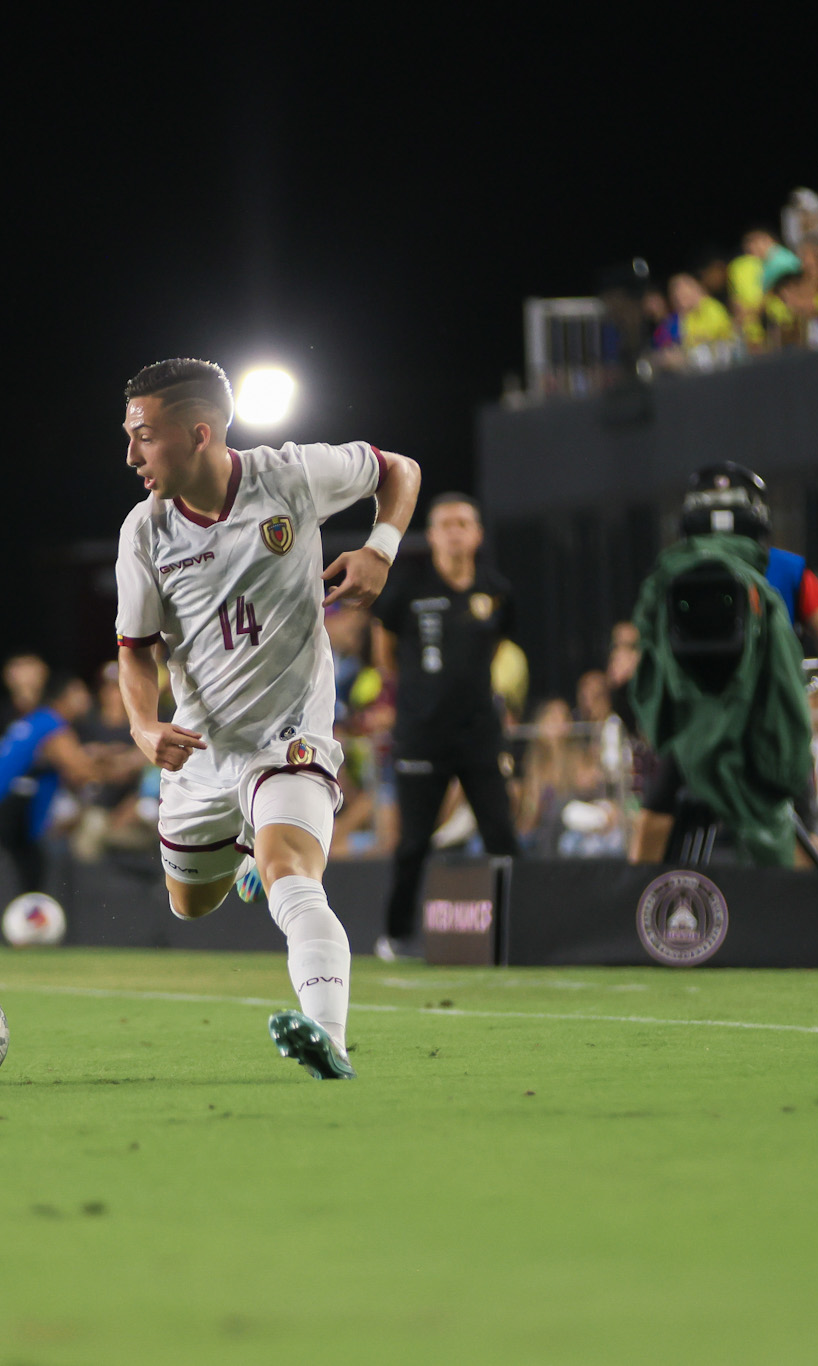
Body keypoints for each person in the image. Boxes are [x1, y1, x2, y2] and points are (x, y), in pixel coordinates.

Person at [114, 357, 418, 1080]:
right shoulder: (145, 532)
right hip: (202, 750)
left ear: (199, 432)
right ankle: (244, 852)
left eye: (143, 437)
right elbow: (134, 652)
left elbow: (398, 469)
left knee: (292, 874)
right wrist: (143, 727)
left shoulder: (292, 475)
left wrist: (382, 547)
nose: (130, 455)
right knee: (190, 904)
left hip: (291, 734)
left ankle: (329, 1040)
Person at [630, 463, 818, 862]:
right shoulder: (784, 566)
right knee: (796, 824)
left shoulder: (672, 568)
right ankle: (810, 910)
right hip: (763, 725)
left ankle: (635, 907)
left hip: (705, 726)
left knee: (654, 819)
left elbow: (644, 645)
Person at [370, 494, 520, 962]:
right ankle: (396, 937)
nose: (455, 531)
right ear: (432, 535)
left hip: (480, 734)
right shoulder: (408, 588)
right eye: (445, 524)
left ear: (477, 534)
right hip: (420, 733)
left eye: (463, 523)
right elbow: (385, 651)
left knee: (502, 836)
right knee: (413, 842)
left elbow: (500, 648)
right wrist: (419, 694)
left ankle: (519, 930)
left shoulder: (496, 590)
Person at [0, 672, 136, 892]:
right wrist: (129, 764)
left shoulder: (40, 719)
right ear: (63, 698)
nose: (87, 698)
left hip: (3, 809)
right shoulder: (53, 725)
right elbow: (81, 772)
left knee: (31, 868)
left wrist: (104, 757)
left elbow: (75, 761)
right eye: (79, 692)